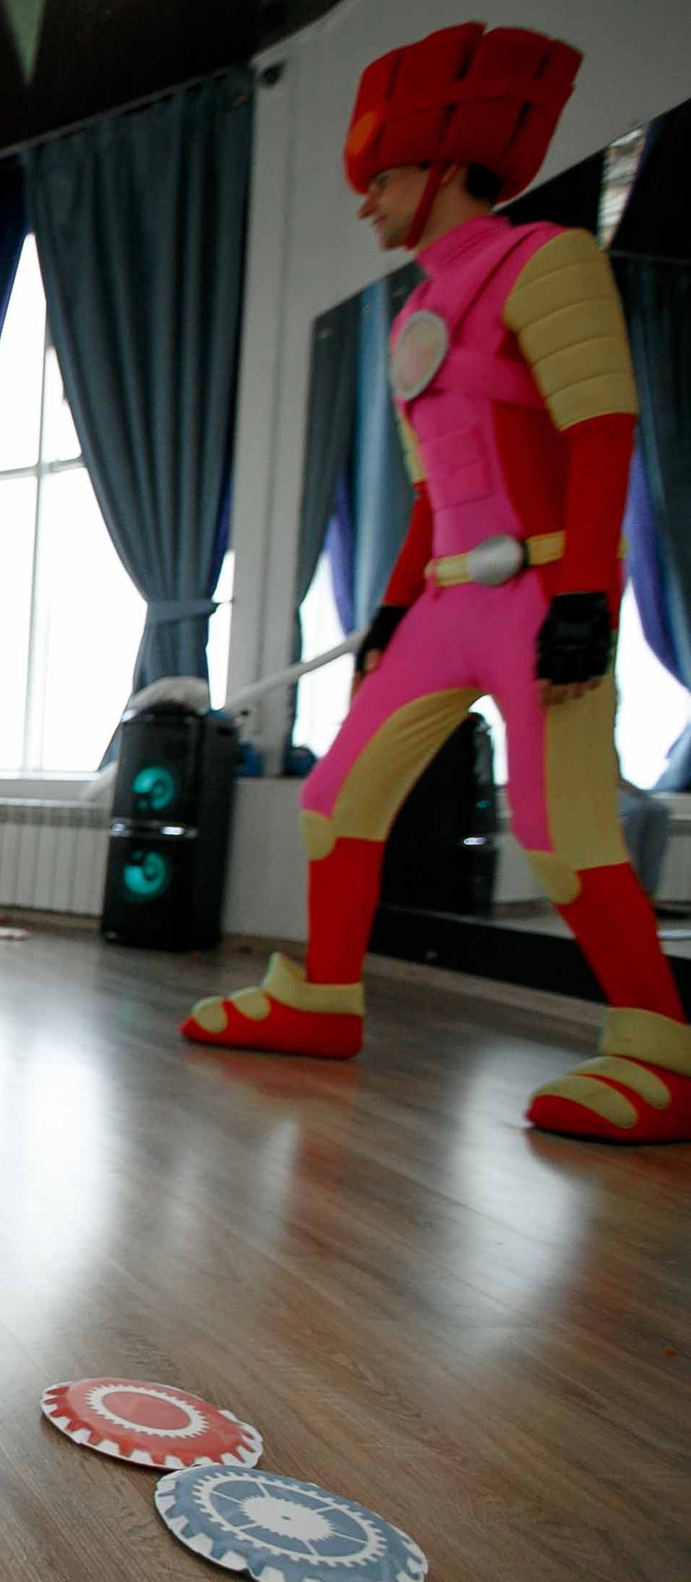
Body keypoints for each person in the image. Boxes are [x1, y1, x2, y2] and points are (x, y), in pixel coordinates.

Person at [183, 23, 691, 1146]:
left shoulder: (547, 265)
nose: (367, 203)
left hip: (539, 590)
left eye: (386, 177)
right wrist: (395, 610)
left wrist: (583, 600)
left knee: (558, 830)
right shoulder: (416, 310)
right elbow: (429, 493)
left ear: (451, 168)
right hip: (446, 603)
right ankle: (322, 993)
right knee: (334, 803)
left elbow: (603, 433)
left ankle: (660, 1043)